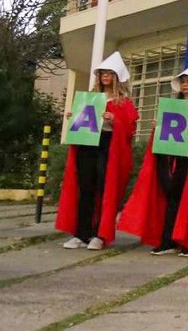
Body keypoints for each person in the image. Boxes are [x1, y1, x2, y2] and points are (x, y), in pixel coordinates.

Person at [118, 64, 188, 256]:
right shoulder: (174, 107)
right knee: (170, 197)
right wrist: (158, 126)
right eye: (183, 82)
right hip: (170, 158)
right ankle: (167, 240)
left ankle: (187, 242)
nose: (185, 85)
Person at [57, 52, 138, 250]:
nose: (105, 77)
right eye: (103, 73)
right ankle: (81, 233)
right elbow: (84, 122)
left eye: (109, 73)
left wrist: (114, 121)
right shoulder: (90, 98)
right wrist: (73, 116)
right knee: (85, 188)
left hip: (107, 145)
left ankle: (99, 234)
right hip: (87, 145)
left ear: (116, 76)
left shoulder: (123, 102)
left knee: (104, 190)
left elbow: (130, 129)